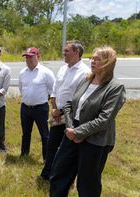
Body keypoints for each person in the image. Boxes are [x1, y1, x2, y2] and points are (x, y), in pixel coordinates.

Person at [50, 46, 126, 196]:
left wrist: (79, 133)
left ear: (108, 62)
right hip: (72, 132)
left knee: (87, 184)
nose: (93, 61)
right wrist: (71, 130)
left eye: (98, 59)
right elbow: (70, 105)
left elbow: (104, 119)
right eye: (92, 58)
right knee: (58, 174)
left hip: (96, 139)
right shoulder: (86, 80)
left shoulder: (115, 88)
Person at [40, 40, 90, 180]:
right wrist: (54, 108)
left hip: (71, 117)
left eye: (67, 51)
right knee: (52, 146)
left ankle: (65, 177)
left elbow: (78, 98)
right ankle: (47, 173)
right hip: (57, 114)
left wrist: (60, 112)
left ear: (77, 52)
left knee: (67, 149)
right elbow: (55, 89)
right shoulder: (63, 68)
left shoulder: (85, 72)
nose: (64, 53)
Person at [18, 47, 55, 160]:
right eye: (27, 57)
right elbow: (21, 89)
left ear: (38, 57)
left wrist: (41, 100)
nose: (28, 59)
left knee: (44, 135)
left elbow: (52, 91)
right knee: (26, 133)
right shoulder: (22, 73)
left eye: (31, 56)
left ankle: (46, 158)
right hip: (25, 108)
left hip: (40, 108)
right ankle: (24, 155)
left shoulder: (46, 72)